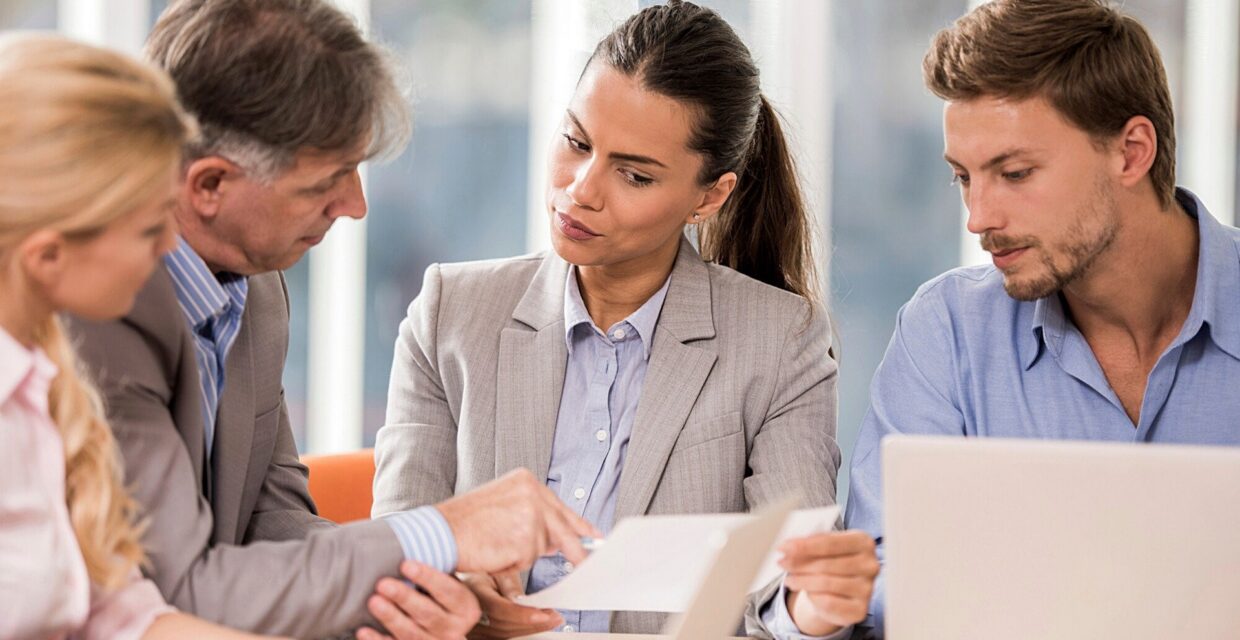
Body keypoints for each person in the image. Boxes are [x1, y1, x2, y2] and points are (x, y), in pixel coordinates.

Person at [65, 1, 597, 638]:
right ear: (208, 186)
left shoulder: (256, 287)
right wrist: (442, 532)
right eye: (327, 182)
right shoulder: (91, 316)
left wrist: (414, 587)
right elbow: (178, 591)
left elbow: (274, 520)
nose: (355, 206)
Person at [371, 2, 877, 638]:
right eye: (576, 142)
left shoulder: (780, 341)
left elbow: (785, 587)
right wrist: (461, 596)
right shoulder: (451, 314)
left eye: (634, 174)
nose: (582, 189)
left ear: (709, 195)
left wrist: (813, 610)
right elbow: (397, 555)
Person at [782, 0, 1240, 637]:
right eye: (963, 178)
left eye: (1015, 172)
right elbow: (884, 574)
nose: (978, 218)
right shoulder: (947, 331)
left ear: (1132, 152)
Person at [0, 32, 281, 640]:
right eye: (152, 227)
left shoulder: (47, 383)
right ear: (47, 256)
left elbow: (127, 618)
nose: (170, 249)